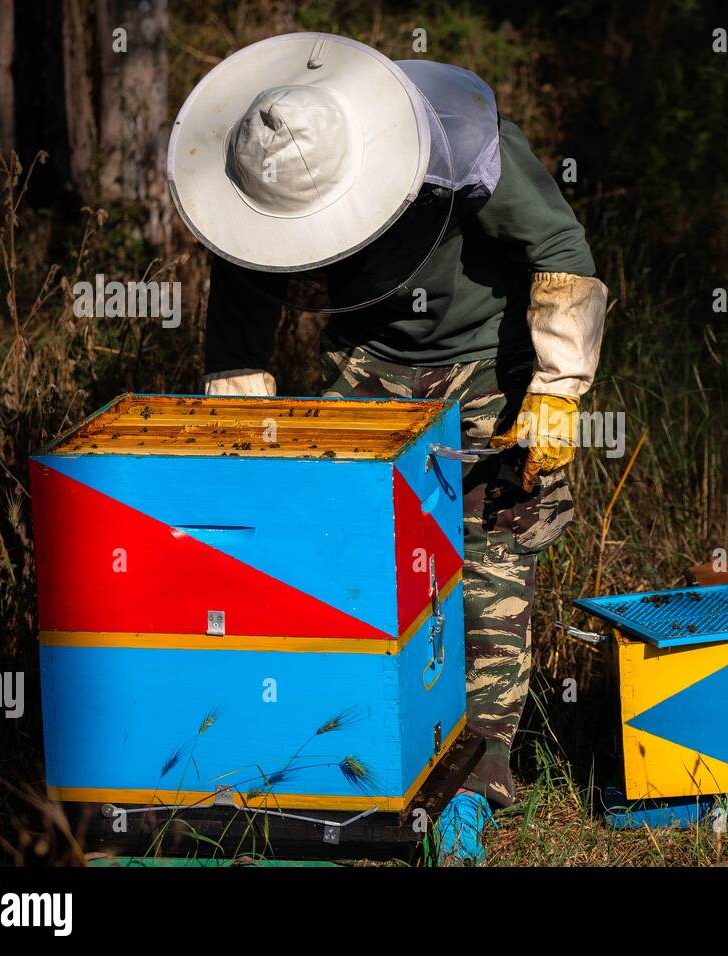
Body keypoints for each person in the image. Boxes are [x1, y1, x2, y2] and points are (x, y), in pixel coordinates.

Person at [166, 32, 607, 863]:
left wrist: (555, 391)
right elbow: (242, 309)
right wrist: (241, 419)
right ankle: (358, 756)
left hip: (492, 358)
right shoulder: (265, 158)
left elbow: (560, 253)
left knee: (492, 550)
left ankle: (481, 777)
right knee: (360, 558)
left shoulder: (463, 139)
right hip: (364, 366)